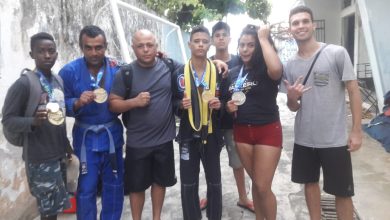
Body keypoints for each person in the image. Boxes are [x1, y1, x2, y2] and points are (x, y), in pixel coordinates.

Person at [283, 6, 363, 220]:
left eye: (304, 21)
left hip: (334, 139)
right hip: (304, 139)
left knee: (342, 191)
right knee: (310, 183)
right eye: (295, 23)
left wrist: (356, 130)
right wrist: (292, 97)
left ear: (313, 25)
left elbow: (354, 91)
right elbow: (293, 107)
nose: (300, 26)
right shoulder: (290, 65)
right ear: (290, 29)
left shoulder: (336, 53)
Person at [109, 29, 180, 220]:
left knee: (160, 182)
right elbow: (113, 104)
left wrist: (217, 61)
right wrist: (134, 102)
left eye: (150, 45)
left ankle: (156, 218)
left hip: (164, 140)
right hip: (137, 143)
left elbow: (194, 69)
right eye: (140, 46)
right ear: (133, 48)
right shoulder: (125, 73)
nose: (146, 50)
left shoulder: (169, 65)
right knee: (136, 186)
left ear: (157, 47)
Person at [2, 32, 70, 220]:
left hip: (58, 155)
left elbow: (60, 116)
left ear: (56, 54)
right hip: (39, 158)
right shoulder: (24, 84)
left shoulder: (57, 80)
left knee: (55, 208)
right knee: (47, 211)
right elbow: (7, 120)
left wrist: (66, 146)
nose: (47, 55)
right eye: (41, 51)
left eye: (51, 51)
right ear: (32, 54)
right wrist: (33, 121)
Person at [59, 25, 124, 220]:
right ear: (81, 47)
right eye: (89, 47)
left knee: (114, 186)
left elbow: (140, 72)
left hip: (111, 135)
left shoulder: (117, 68)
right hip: (85, 139)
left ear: (106, 46)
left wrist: (160, 57)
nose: (94, 52)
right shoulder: (69, 71)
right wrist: (76, 102)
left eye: (99, 47)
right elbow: (59, 104)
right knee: (86, 189)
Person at [223, 24, 283, 220]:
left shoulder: (266, 68)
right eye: (242, 45)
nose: (245, 49)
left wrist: (263, 39)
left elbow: (277, 70)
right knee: (256, 183)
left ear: (258, 47)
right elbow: (226, 100)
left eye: (251, 45)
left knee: (264, 186)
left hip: (267, 130)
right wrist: (227, 106)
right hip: (241, 132)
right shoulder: (233, 72)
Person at [200, 21, 254, 212]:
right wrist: (214, 63)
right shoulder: (204, 62)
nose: (221, 38)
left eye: (224, 34)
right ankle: (210, 195)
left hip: (233, 121)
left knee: (237, 163)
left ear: (230, 38)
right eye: (217, 35)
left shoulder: (241, 60)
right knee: (210, 162)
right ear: (212, 40)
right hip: (211, 120)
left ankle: (243, 197)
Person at [172, 25, 223, 220]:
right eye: (196, 41)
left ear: (210, 44)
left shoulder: (218, 71)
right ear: (189, 44)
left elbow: (225, 99)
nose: (200, 45)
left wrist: (220, 104)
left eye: (204, 41)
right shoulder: (178, 73)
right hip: (187, 135)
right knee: (188, 183)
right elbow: (172, 100)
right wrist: (180, 105)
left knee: (215, 182)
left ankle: (214, 216)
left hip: (211, 135)